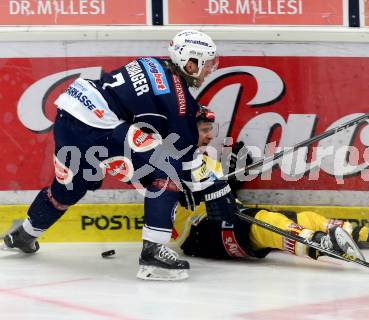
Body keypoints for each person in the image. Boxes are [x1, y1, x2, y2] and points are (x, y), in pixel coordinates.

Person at [3, 30, 220, 281]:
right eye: (207, 63)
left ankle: (24, 235)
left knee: (69, 188)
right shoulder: (177, 99)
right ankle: (154, 254)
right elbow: (182, 153)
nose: (209, 70)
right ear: (190, 63)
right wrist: (209, 187)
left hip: (68, 119)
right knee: (166, 168)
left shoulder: (151, 62)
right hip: (96, 128)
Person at [171, 108, 369, 265]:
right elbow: (188, 198)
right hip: (197, 234)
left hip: (222, 217)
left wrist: (233, 179)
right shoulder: (172, 159)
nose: (209, 136)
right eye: (204, 131)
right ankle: (322, 244)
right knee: (267, 223)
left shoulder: (207, 161)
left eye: (210, 131)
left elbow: (218, 197)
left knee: (306, 217)